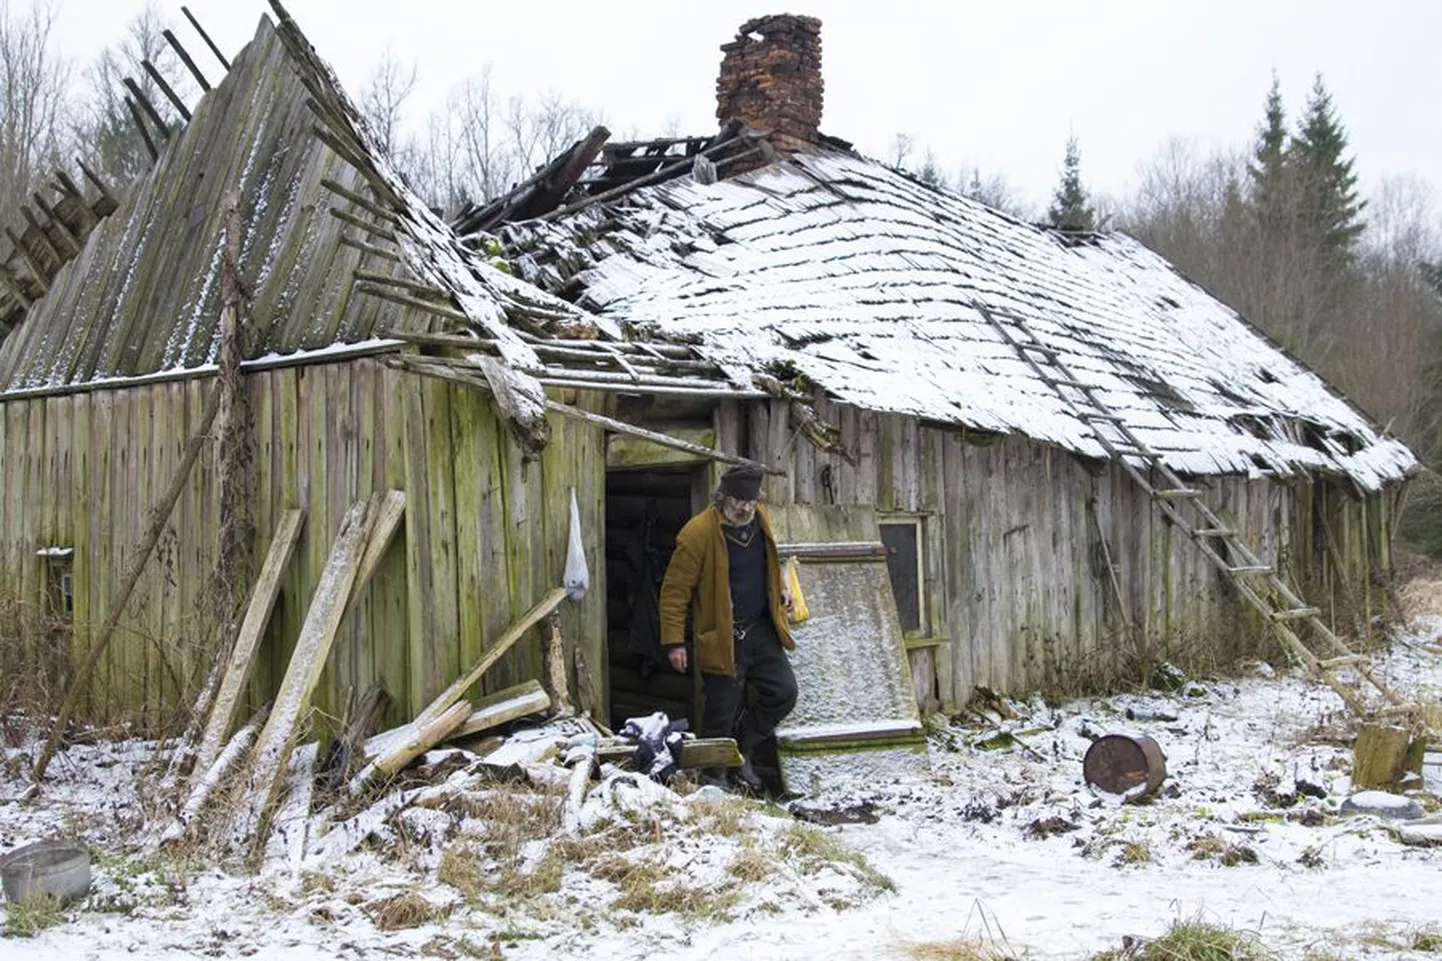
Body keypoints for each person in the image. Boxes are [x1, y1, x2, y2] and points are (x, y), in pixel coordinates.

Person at [658, 462, 798, 790]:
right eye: (740, 504)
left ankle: (739, 750)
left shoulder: (760, 520)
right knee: (720, 710)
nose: (746, 509)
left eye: (751, 502)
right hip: (722, 636)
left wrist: (781, 589)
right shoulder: (698, 533)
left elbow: (767, 563)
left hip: (761, 630)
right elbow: (674, 591)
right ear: (723, 498)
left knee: (784, 693)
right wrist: (674, 642)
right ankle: (713, 777)